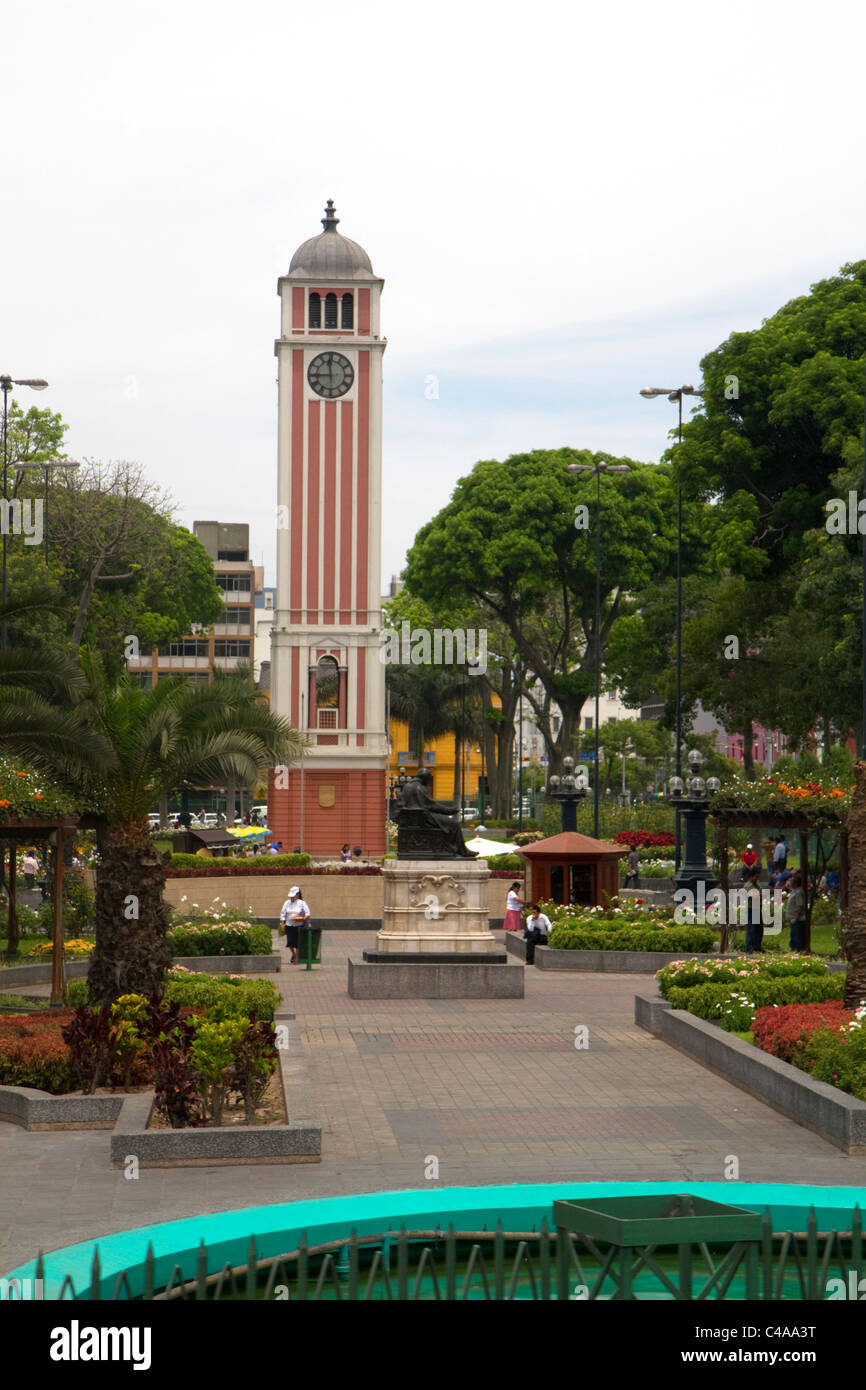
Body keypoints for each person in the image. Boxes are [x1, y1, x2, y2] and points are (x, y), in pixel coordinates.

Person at [279, 885, 311, 965]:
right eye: (291, 897)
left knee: (297, 942)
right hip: (289, 925)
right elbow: (283, 914)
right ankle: (293, 954)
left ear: (297, 895)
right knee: (290, 942)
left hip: (299, 925)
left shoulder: (302, 903)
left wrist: (303, 918)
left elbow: (308, 913)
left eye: (293, 896)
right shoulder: (287, 903)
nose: (292, 898)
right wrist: (282, 924)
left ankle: (296, 957)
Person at [743, 866, 764, 953]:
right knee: (751, 928)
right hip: (751, 909)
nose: (757, 878)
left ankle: (757, 946)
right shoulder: (748, 885)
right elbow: (751, 896)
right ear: (751, 876)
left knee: (759, 928)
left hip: (757, 908)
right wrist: (760, 895)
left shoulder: (757, 884)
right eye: (756, 876)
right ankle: (749, 947)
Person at [786, 872, 807, 952]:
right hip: (792, 918)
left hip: (797, 918)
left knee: (797, 935)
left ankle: (798, 949)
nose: (790, 883)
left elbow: (800, 905)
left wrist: (797, 916)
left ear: (795, 883)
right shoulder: (794, 891)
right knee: (793, 934)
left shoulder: (799, 892)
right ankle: (793, 948)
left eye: (792, 882)